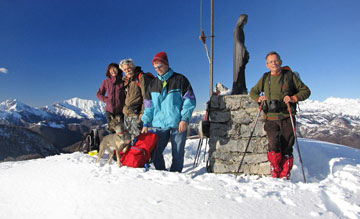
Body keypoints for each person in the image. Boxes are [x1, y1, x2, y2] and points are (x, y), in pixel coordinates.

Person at [249, 51, 311, 179]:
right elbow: (253, 92)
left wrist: (293, 98)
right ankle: (275, 168)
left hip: (287, 116)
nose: (274, 63)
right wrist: (258, 98)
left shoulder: (289, 76)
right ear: (267, 65)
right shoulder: (265, 78)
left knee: (287, 145)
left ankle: (285, 173)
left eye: (276, 60)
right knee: (273, 144)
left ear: (281, 62)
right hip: (270, 117)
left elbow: (306, 91)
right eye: (271, 61)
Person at [141, 51, 196, 172]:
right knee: (155, 152)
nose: (157, 69)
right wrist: (145, 122)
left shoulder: (180, 79)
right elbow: (149, 106)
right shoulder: (152, 84)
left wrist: (184, 119)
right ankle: (162, 174)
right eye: (155, 67)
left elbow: (189, 101)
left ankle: (175, 177)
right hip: (159, 124)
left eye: (159, 66)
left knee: (177, 153)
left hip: (177, 123)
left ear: (166, 64)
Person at [119, 58, 151, 140]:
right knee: (129, 139)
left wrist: (143, 112)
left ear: (133, 66)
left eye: (128, 68)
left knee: (138, 139)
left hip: (137, 114)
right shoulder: (125, 81)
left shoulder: (141, 77)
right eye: (124, 69)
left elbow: (146, 96)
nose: (127, 70)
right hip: (127, 114)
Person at [96, 63, 125, 131]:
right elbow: (99, 93)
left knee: (120, 131)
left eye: (114, 69)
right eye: (111, 69)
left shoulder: (123, 81)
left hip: (120, 111)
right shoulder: (106, 82)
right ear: (108, 71)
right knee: (112, 131)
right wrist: (106, 100)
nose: (113, 71)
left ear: (118, 69)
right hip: (109, 111)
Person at [231, 14, 250, 95]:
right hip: (239, 52)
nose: (245, 22)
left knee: (242, 70)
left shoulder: (241, 30)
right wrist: (243, 49)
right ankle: (238, 87)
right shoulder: (237, 29)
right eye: (244, 20)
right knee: (239, 70)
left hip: (241, 51)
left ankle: (242, 87)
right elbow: (238, 41)